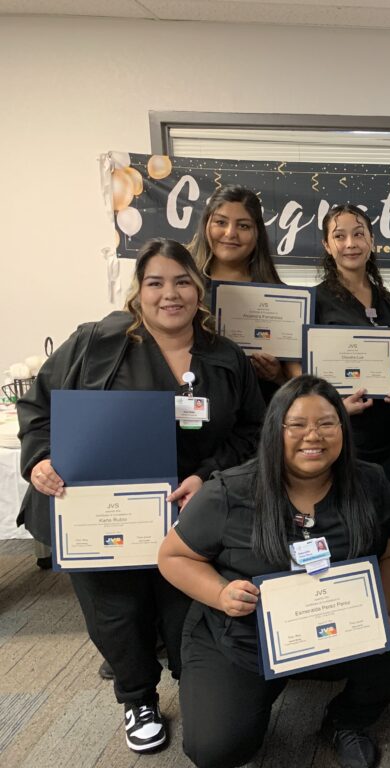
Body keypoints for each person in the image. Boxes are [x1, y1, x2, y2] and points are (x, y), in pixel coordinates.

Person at [17, 238, 265, 753]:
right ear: (139, 291)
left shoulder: (224, 356)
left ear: (199, 289)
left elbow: (252, 429)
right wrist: (40, 460)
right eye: (155, 282)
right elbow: (39, 409)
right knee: (117, 609)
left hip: (187, 507)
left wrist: (211, 476)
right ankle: (137, 697)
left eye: (181, 281)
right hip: (99, 510)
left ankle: (192, 680)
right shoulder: (96, 342)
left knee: (183, 606)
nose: (169, 294)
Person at [158, 376, 390, 768]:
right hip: (242, 638)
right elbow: (172, 556)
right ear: (273, 430)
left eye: (327, 423)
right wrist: (220, 594)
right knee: (216, 749)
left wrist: (384, 611)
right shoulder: (229, 491)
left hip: (336, 628)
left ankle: (344, 721)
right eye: (296, 425)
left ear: (342, 429)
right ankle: (253, 691)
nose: (313, 435)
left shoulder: (370, 482)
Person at [315, 203, 390, 508]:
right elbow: (301, 376)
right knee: (347, 524)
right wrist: (334, 408)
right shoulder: (315, 301)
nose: (350, 244)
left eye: (359, 234)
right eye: (340, 236)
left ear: (371, 240)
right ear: (327, 246)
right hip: (342, 436)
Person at [187, 184, 300, 397]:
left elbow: (295, 381)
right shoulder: (185, 288)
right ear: (206, 225)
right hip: (197, 409)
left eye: (244, 226)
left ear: (257, 233)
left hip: (260, 415)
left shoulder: (281, 297)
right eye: (221, 222)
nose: (231, 233)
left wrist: (276, 376)